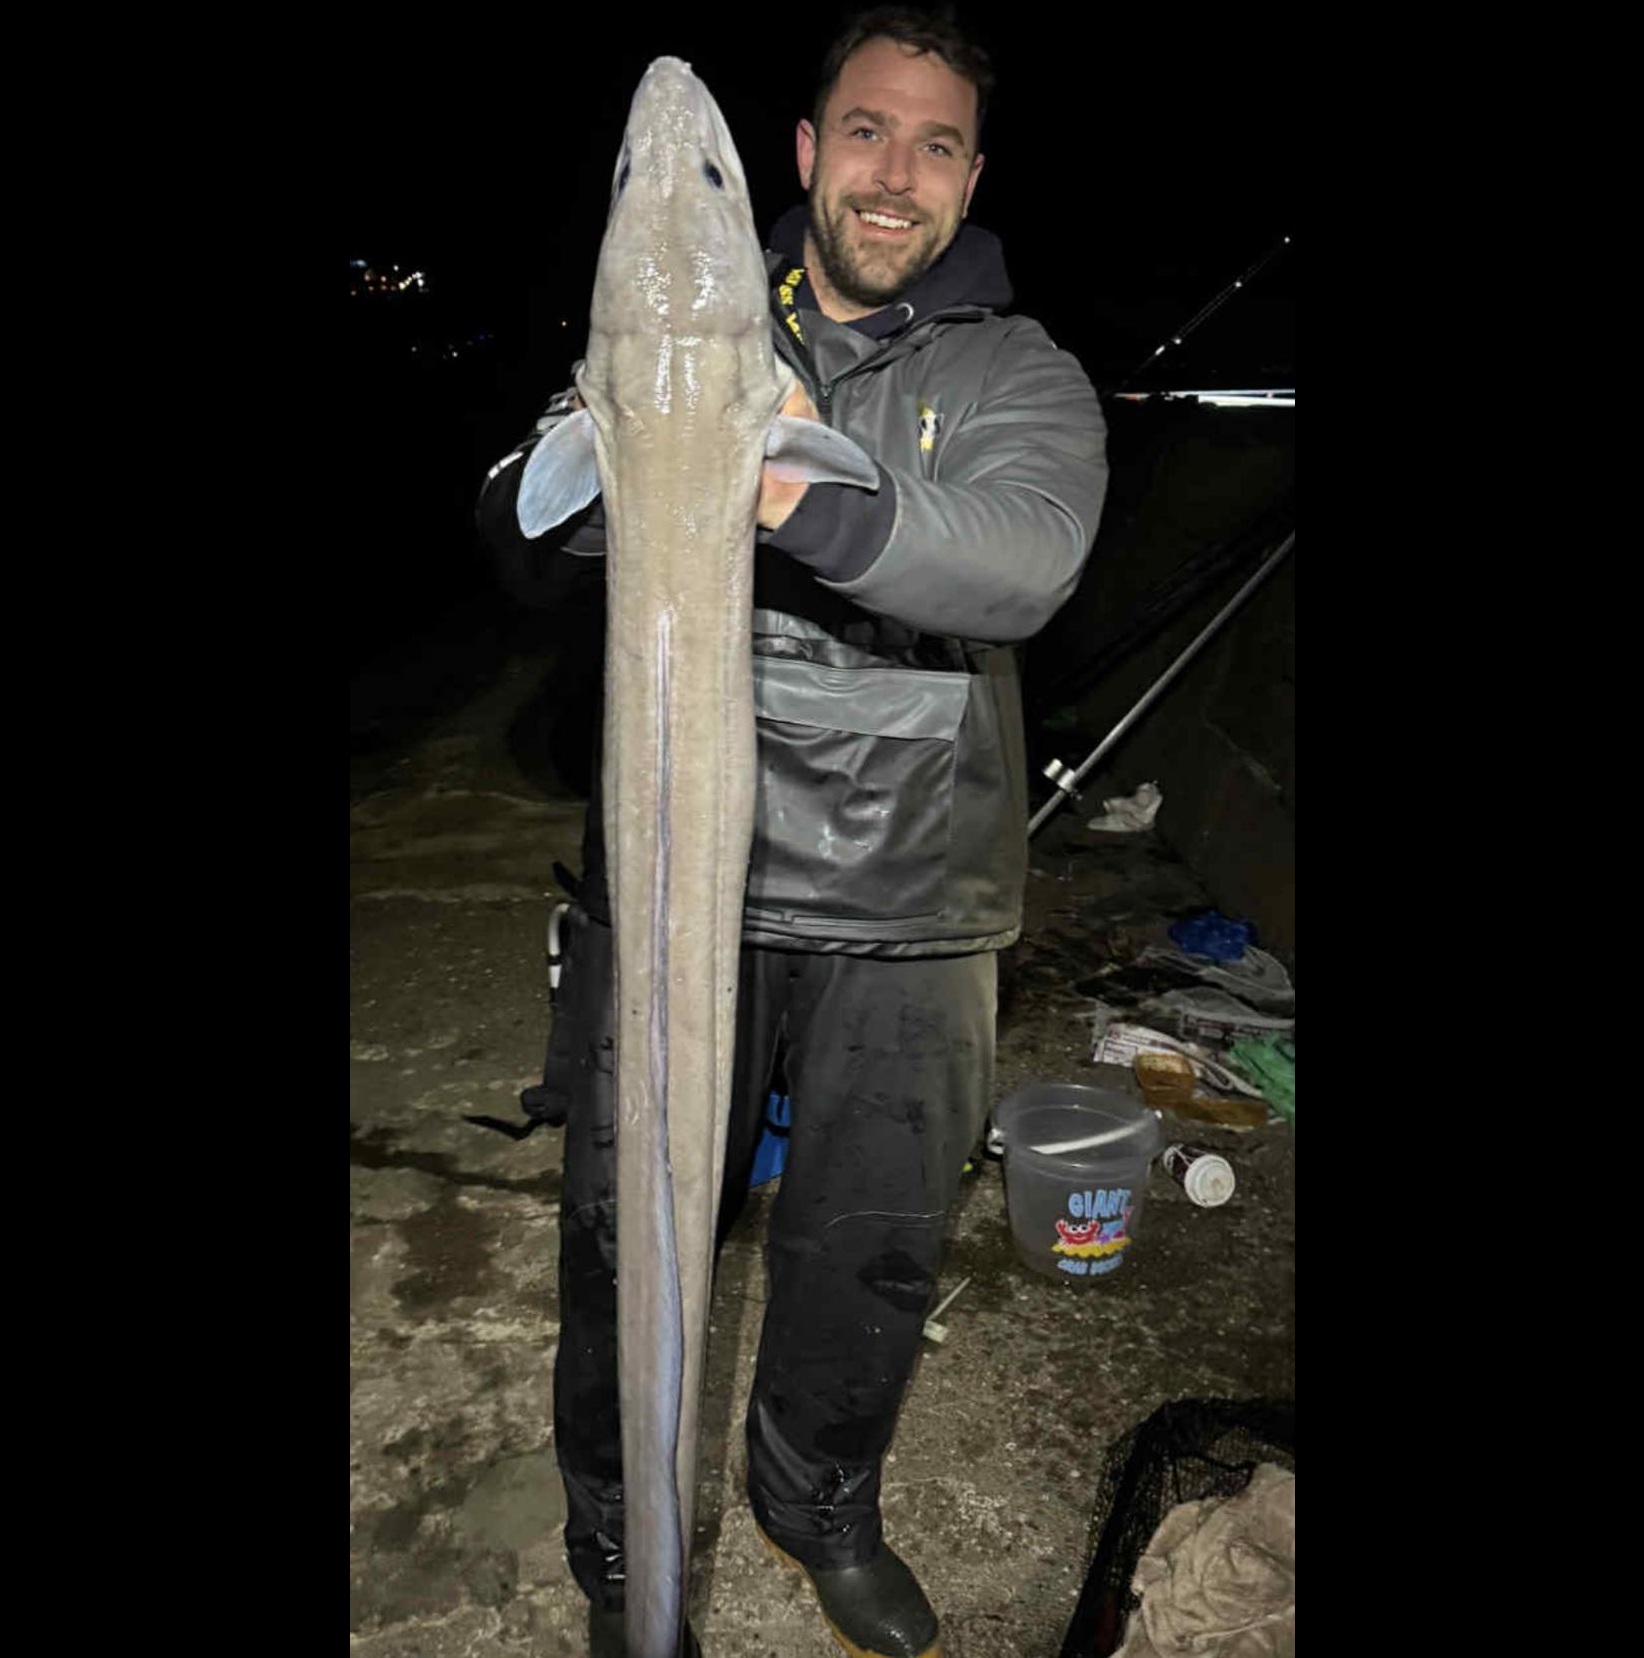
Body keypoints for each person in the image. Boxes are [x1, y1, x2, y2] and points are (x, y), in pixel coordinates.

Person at [476, 9, 1108, 1655]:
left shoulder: (1016, 373)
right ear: (809, 151)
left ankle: (814, 1495)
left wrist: (769, 477)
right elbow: (521, 539)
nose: (896, 174)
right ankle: (621, 1542)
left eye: (936, 144)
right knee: (623, 1232)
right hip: (683, 878)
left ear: (971, 176)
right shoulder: (680, 327)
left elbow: (1022, 560)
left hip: (915, 898)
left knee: (869, 1249)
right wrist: (628, 425)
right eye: (867, 131)